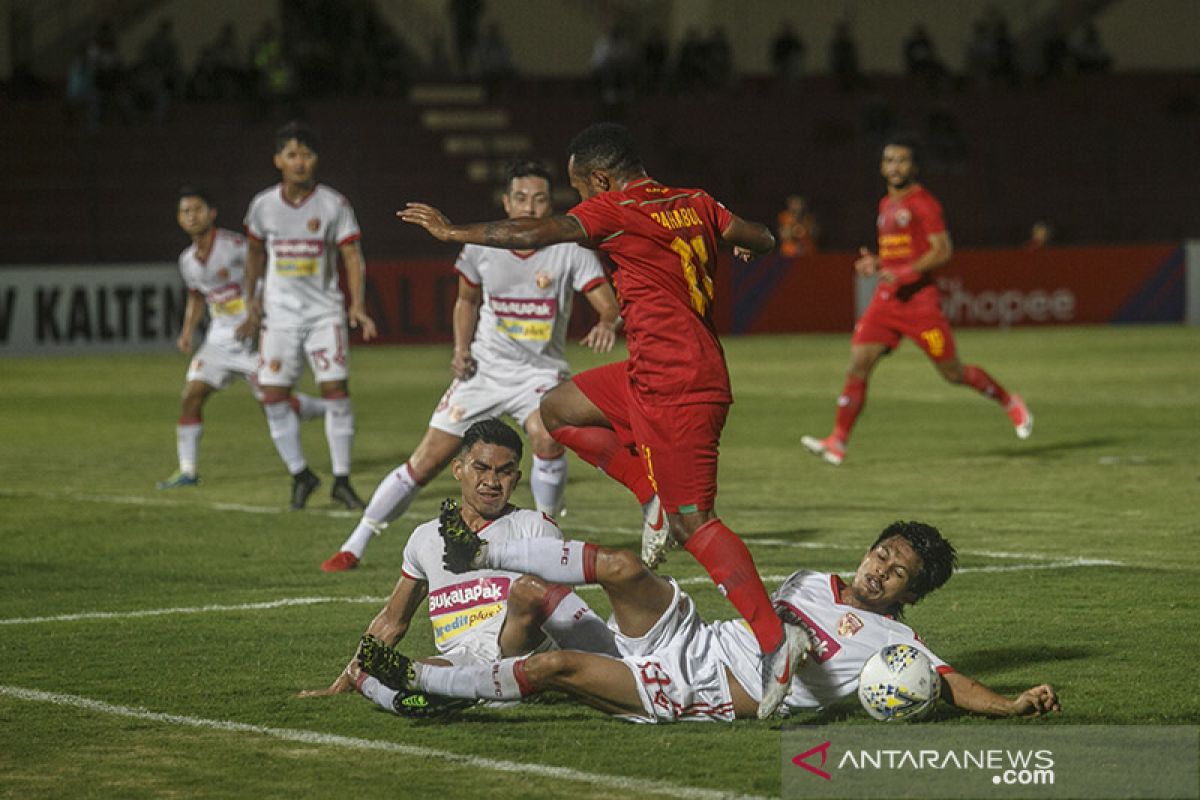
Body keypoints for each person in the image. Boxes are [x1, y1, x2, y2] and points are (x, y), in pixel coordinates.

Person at [399, 122, 806, 720]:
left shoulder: (616, 208)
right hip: (647, 372)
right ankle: (651, 494)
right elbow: (763, 235)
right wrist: (747, 245)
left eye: (577, 189)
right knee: (557, 410)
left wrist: (451, 230)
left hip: (678, 388)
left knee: (698, 524)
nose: (578, 202)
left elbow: (535, 231)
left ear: (599, 178)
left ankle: (776, 643)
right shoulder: (694, 201)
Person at [354, 517, 1061, 723]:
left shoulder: (896, 641)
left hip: (703, 691)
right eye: (882, 553)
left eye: (897, 571)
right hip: (692, 636)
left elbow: (949, 681)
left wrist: (1009, 702)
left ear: (910, 594)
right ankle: (488, 549)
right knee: (625, 568)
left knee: (554, 667)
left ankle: (416, 682)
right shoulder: (813, 579)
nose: (879, 569)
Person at [320, 160, 620, 572]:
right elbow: (466, 301)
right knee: (426, 461)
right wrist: (461, 349)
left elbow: (607, 304)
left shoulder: (567, 249)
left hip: (540, 374)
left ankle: (551, 537)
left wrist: (606, 322)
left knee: (546, 438)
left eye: (539, 199)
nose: (529, 207)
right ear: (506, 201)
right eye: (521, 197)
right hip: (485, 370)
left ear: (551, 204)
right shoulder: (483, 245)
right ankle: (355, 544)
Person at [301, 419, 617, 710]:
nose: (492, 481)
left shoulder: (535, 527)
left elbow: (559, 612)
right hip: (461, 661)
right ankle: (427, 691)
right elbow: (392, 621)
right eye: (481, 468)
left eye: (504, 472)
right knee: (393, 670)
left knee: (527, 593)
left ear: (517, 478)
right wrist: (342, 682)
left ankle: (509, 683)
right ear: (458, 469)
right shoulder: (425, 538)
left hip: (519, 653)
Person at [801, 136, 1033, 466]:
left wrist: (905, 271)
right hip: (887, 300)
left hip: (920, 304)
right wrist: (878, 264)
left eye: (902, 161)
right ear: (882, 167)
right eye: (890, 161)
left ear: (914, 166)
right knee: (858, 364)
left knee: (952, 373)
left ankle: (1009, 400)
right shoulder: (885, 205)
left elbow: (943, 250)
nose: (896, 167)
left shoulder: (924, 203)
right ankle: (838, 441)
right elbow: (899, 254)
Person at [236, 121, 377, 510]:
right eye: (292, 155)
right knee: (273, 394)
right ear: (278, 160)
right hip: (279, 315)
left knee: (336, 391)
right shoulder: (263, 205)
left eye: (307, 155)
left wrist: (357, 304)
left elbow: (352, 256)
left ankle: (342, 479)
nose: (300, 163)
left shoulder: (333, 204)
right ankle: (301, 473)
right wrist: (252, 302)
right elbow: (253, 255)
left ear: (316, 160)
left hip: (323, 314)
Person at [157, 186, 326, 489]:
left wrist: (254, 315)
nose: (192, 216)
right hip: (219, 342)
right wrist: (186, 332)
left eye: (197, 209)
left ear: (212, 213)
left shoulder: (235, 246)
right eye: (185, 211)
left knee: (273, 405)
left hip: (254, 338)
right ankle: (188, 470)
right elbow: (197, 296)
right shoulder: (188, 261)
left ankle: (322, 410)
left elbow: (267, 279)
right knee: (191, 396)